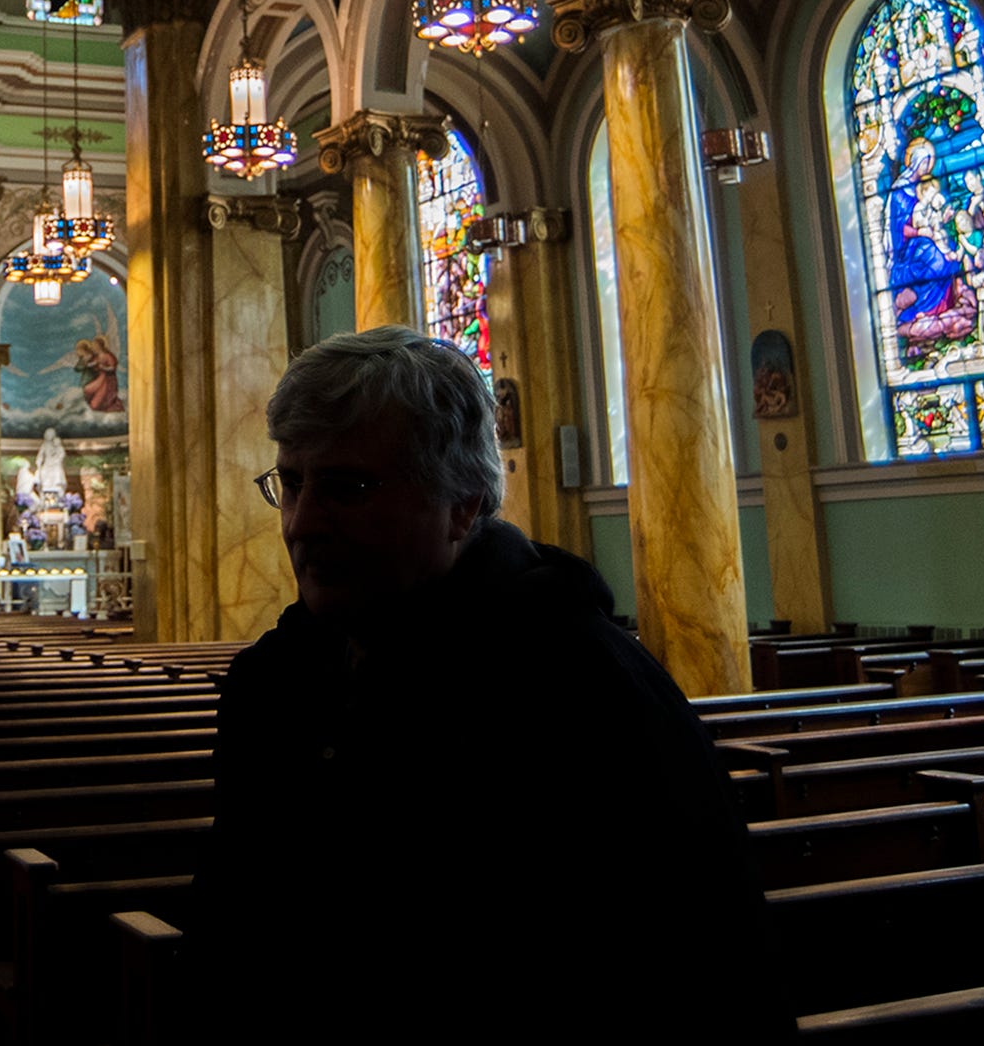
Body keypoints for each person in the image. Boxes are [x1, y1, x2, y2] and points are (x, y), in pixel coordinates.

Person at [191, 325, 781, 1036]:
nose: (302, 522)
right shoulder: (279, 680)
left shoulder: (580, 692)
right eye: (291, 482)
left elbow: (687, 971)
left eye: (349, 487)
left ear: (463, 504)